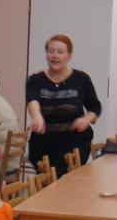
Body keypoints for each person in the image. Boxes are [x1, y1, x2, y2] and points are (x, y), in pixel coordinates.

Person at [25, 34, 101, 177]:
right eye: (51, 51)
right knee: (46, 183)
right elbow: (32, 99)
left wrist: (86, 119)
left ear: (69, 56)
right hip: (43, 142)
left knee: (63, 181)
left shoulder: (81, 79)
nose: (55, 56)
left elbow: (95, 107)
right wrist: (37, 117)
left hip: (74, 143)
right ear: (46, 55)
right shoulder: (35, 80)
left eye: (60, 52)